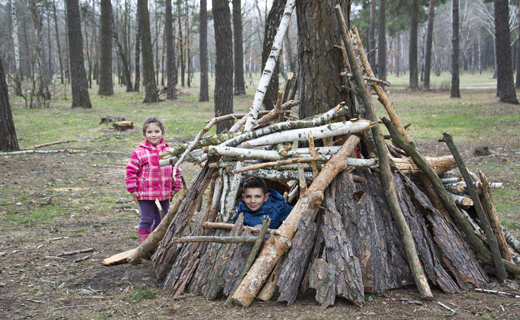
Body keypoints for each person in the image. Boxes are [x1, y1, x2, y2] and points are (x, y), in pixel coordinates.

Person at [126, 117, 182, 244]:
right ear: (144, 134)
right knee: (147, 219)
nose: (153, 135)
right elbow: (131, 172)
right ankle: (144, 247)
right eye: (150, 132)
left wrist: (176, 186)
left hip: (164, 193)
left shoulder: (169, 151)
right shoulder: (139, 153)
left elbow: (176, 169)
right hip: (146, 194)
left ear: (162, 133)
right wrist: (132, 189)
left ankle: (157, 244)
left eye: (156, 131)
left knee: (162, 219)